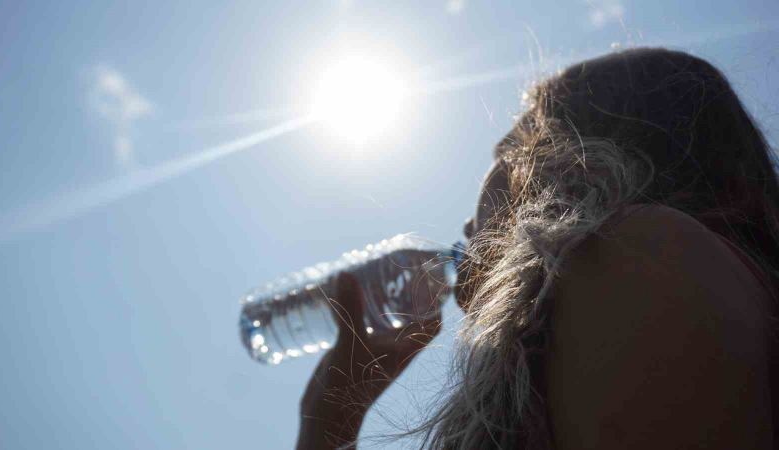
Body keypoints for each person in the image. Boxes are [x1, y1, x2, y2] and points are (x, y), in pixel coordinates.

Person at [295, 47, 779, 449]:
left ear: (565, 161)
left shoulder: (638, 255)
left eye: (507, 152)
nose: (468, 220)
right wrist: (333, 412)